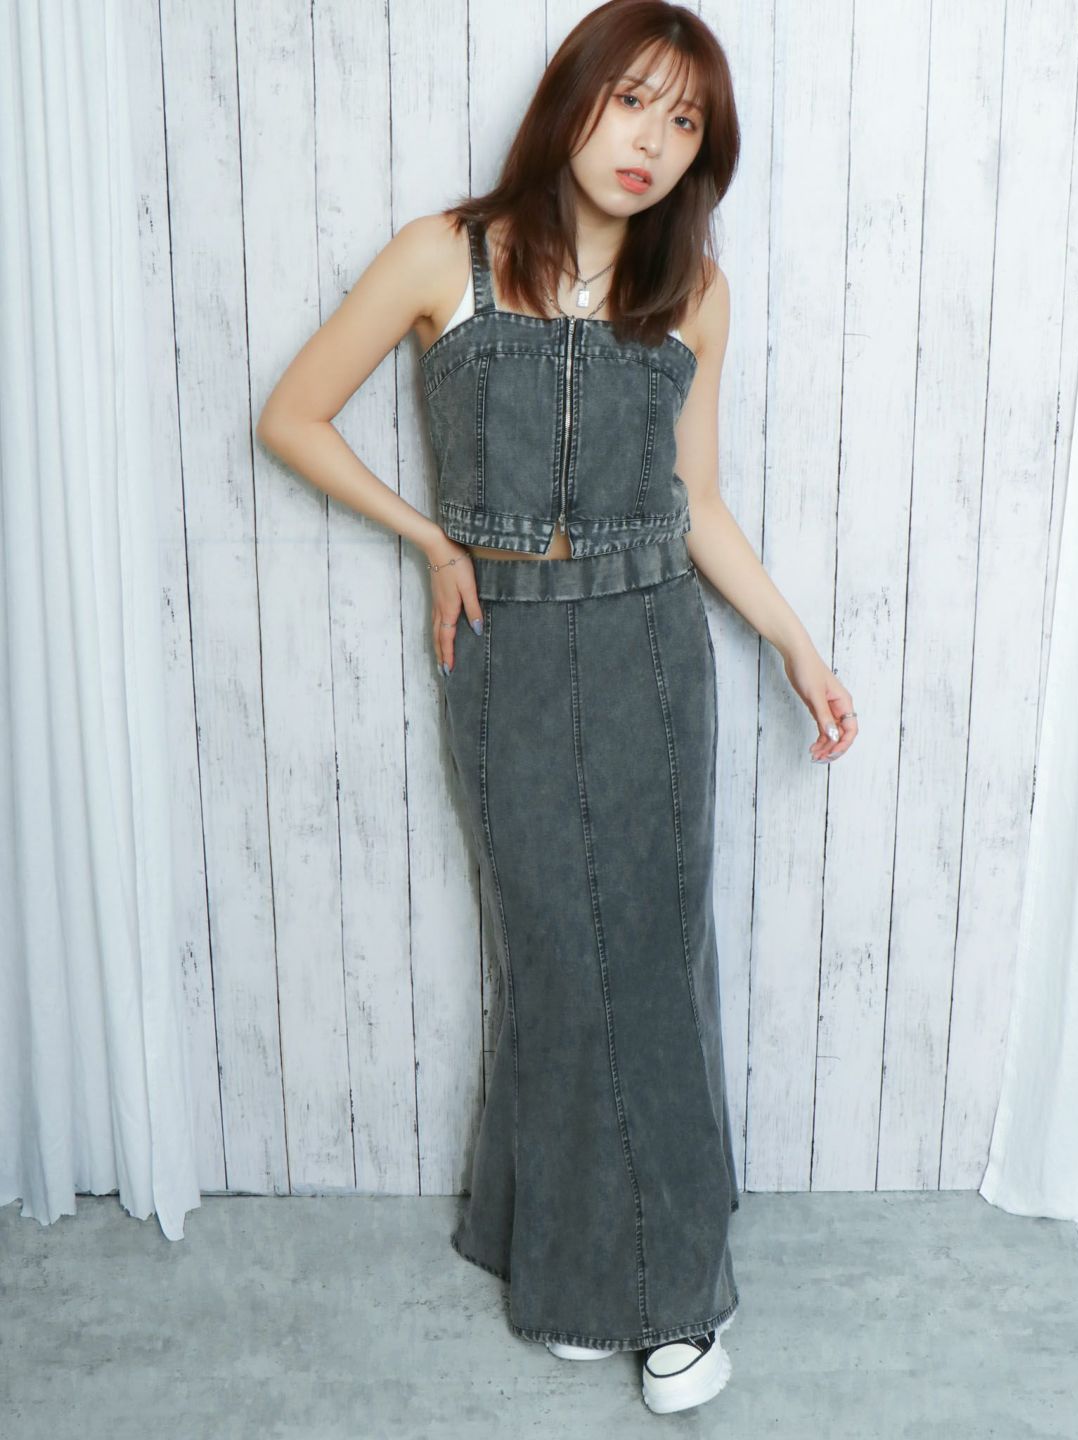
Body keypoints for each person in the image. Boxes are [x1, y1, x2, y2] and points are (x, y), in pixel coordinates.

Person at [257, 0, 858, 1416]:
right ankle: (576, 1255)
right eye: (632, 99)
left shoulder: (691, 290)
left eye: (685, 121)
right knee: (554, 964)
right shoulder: (446, 255)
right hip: (507, 658)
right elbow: (290, 415)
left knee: (645, 962)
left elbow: (697, 503)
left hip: (652, 649)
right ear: (573, 99)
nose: (651, 140)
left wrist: (794, 641)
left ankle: (671, 1297)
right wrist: (434, 540)